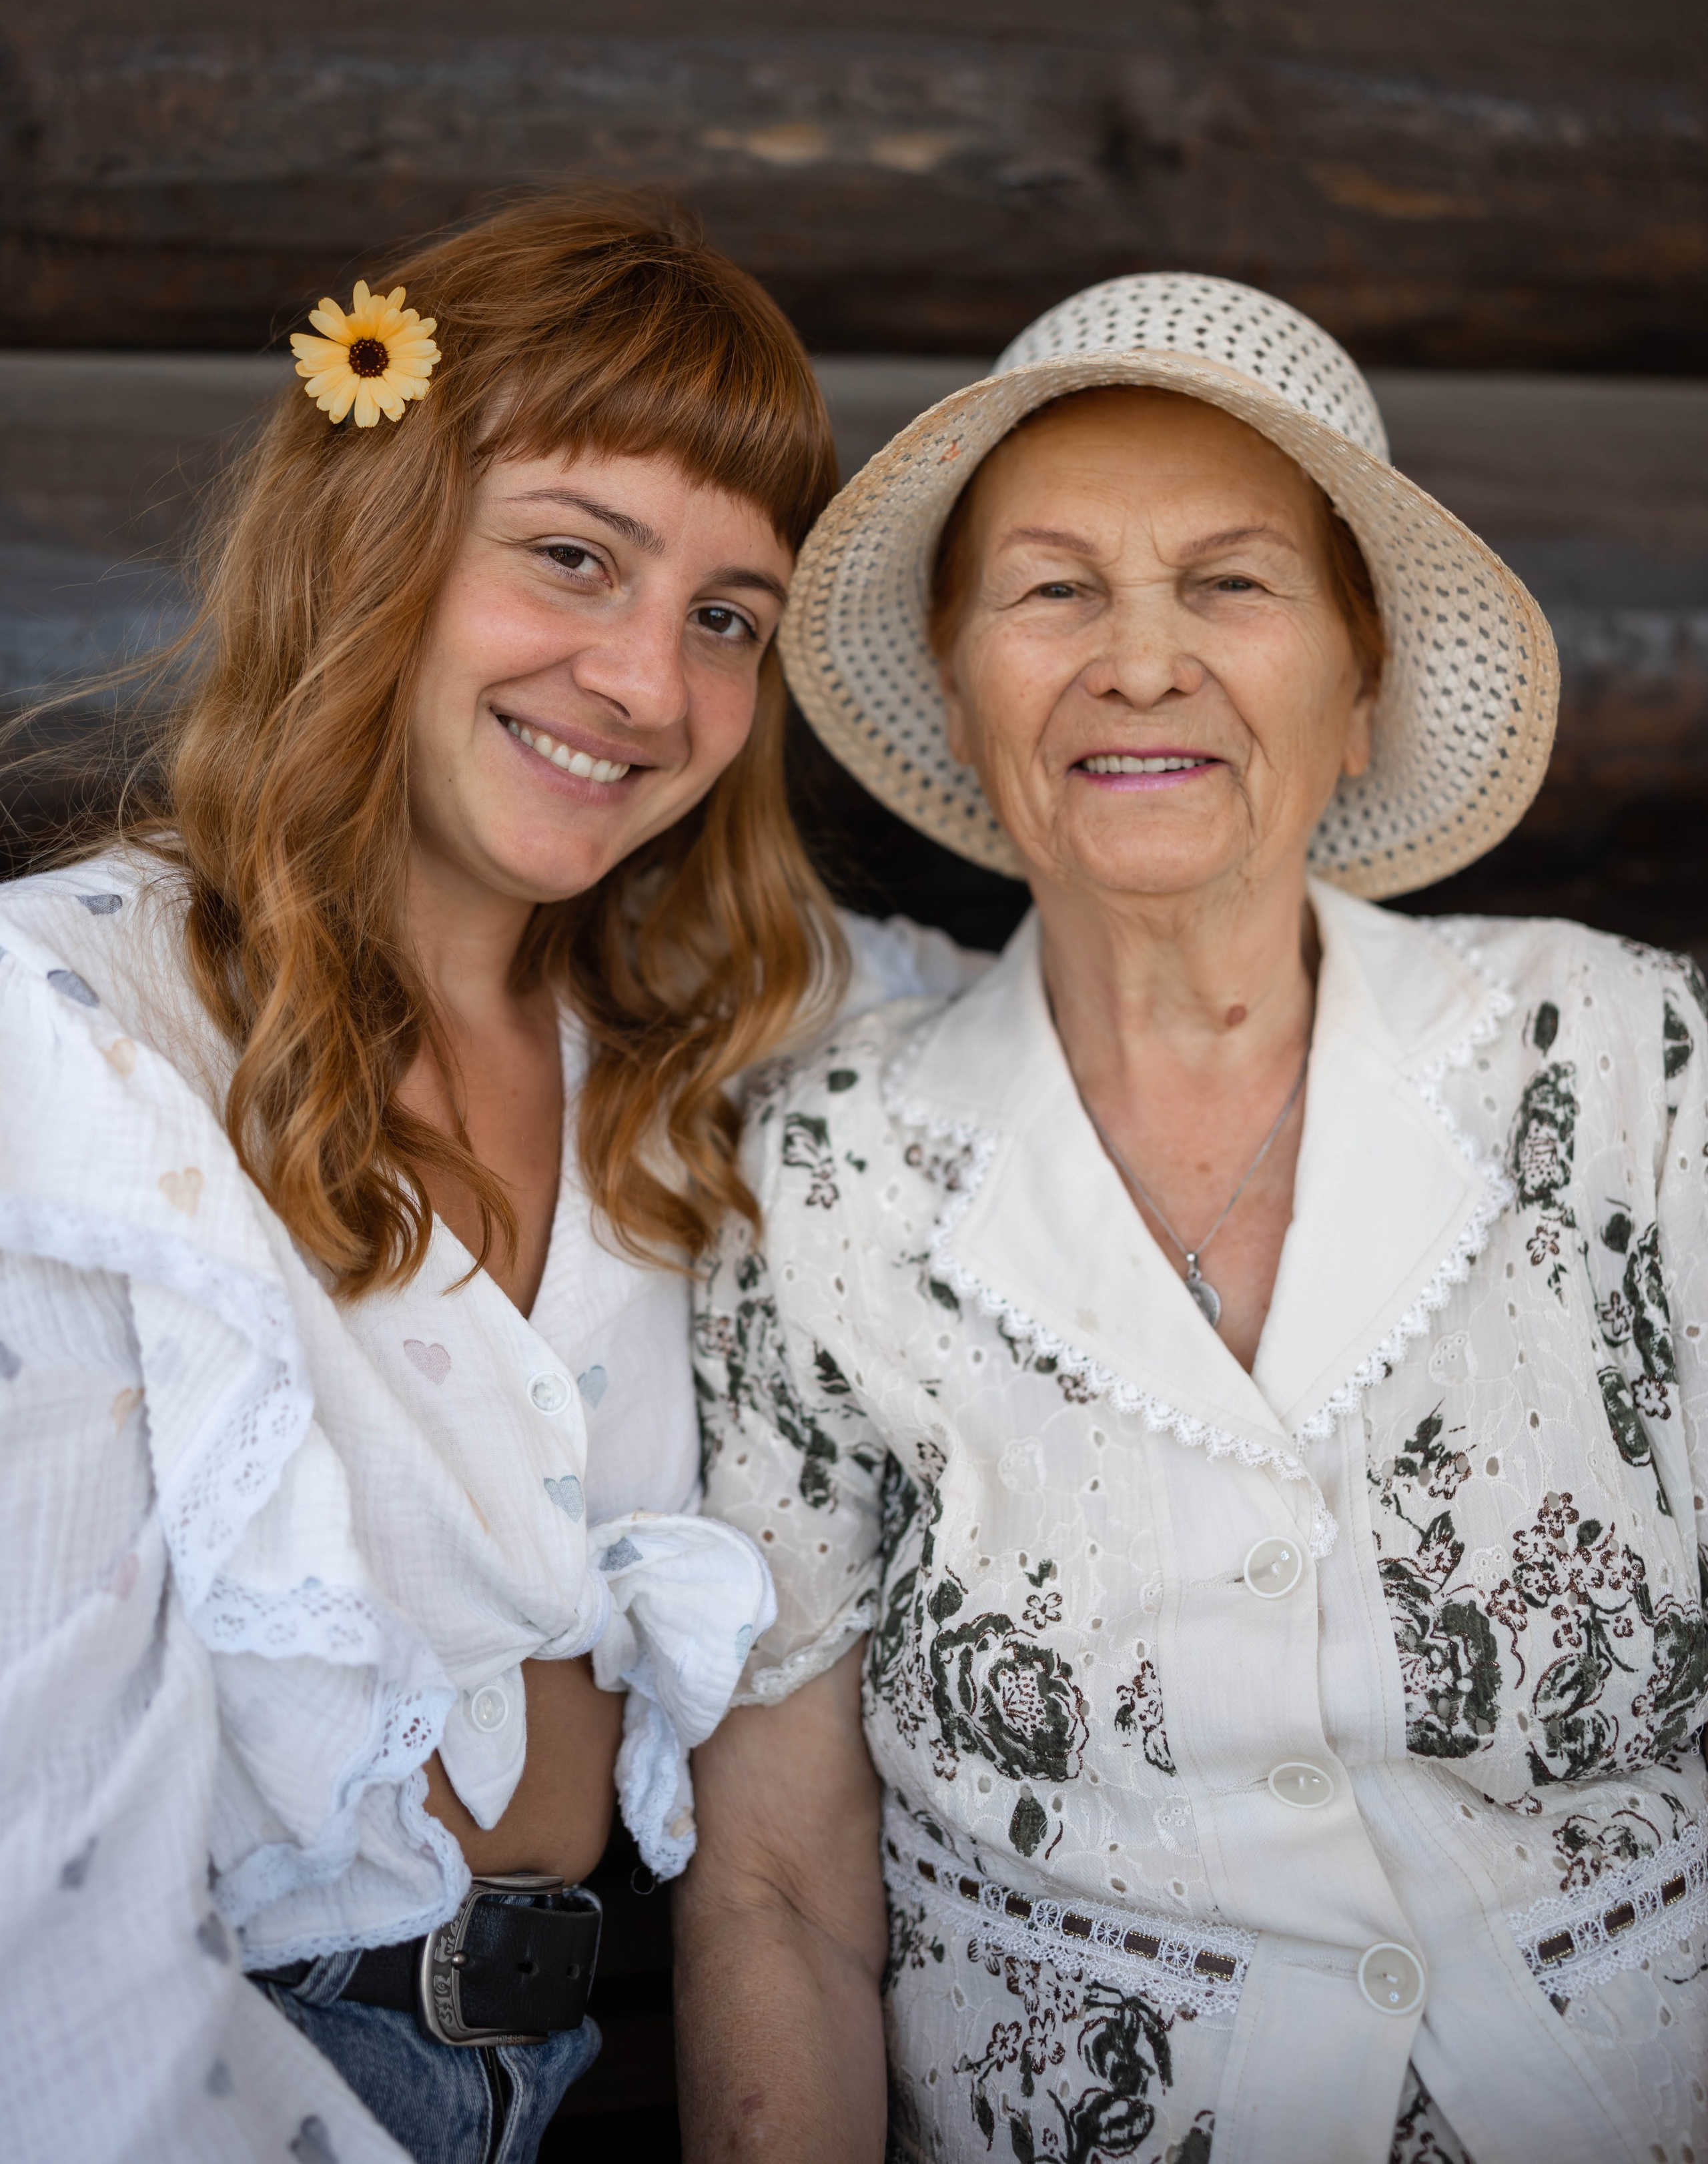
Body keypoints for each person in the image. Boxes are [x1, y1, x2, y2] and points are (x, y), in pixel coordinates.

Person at [677, 274, 1708, 2164]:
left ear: (1361, 686)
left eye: (1231, 583)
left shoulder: (1632, 1061)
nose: (1140, 663)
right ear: (960, 685)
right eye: (1053, 590)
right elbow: (779, 1888)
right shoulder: (824, 1172)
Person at [0, 194, 970, 2164]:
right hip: (220, 2074)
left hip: (559, 2081)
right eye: (572, 558)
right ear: (376, 530)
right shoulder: (78, 1034)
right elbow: (47, 1882)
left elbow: (1084, 1003)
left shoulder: (692, 1032)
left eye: (727, 618)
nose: (648, 684)